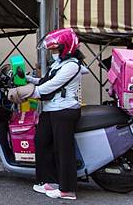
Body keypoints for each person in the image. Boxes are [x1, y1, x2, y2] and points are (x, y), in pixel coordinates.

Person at [9, 28, 86, 200]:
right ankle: (50, 181)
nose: (52, 53)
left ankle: (67, 189)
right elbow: (45, 81)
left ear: (65, 49)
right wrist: (28, 79)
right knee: (42, 141)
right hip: (51, 110)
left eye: (55, 50)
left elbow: (49, 87)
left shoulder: (72, 66)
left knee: (63, 149)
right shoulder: (59, 64)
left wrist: (25, 92)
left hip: (65, 111)